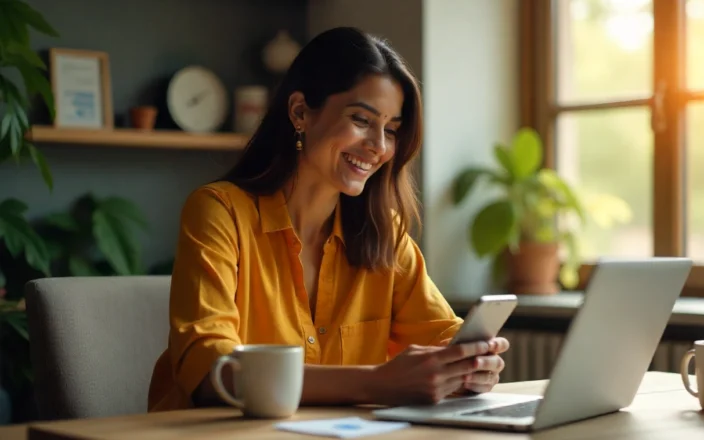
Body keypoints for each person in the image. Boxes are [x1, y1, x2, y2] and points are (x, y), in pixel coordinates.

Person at [147, 26, 510, 412]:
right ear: (300, 111)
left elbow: (443, 337)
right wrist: (377, 382)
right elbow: (211, 371)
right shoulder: (219, 212)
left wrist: (472, 367)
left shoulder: (384, 232)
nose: (378, 147)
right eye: (360, 119)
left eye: (391, 130)